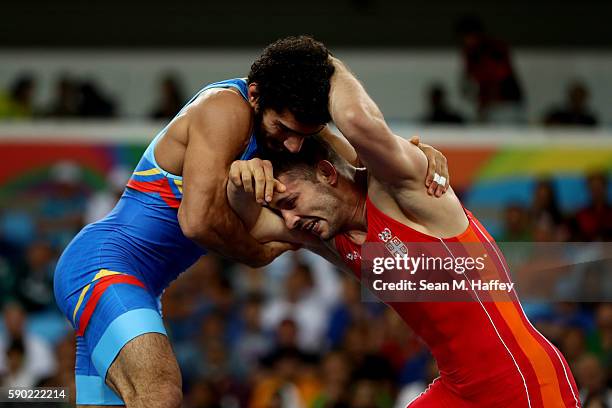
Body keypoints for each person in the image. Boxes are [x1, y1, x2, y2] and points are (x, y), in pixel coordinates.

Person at [53, 36, 448, 407]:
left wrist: (419, 156)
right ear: (256, 95)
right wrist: (260, 253)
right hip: (103, 266)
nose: (294, 145)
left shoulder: (288, 123)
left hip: (139, 284)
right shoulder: (223, 110)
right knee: (160, 392)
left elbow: (367, 167)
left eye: (304, 135)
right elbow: (197, 221)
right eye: (286, 131)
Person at [226, 57, 581, 407]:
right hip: (459, 388)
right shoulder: (333, 237)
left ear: (326, 173)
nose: (289, 221)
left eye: (290, 202)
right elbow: (255, 225)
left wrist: (319, 62)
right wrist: (239, 180)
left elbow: (356, 121)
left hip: (522, 379)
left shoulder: (401, 190)